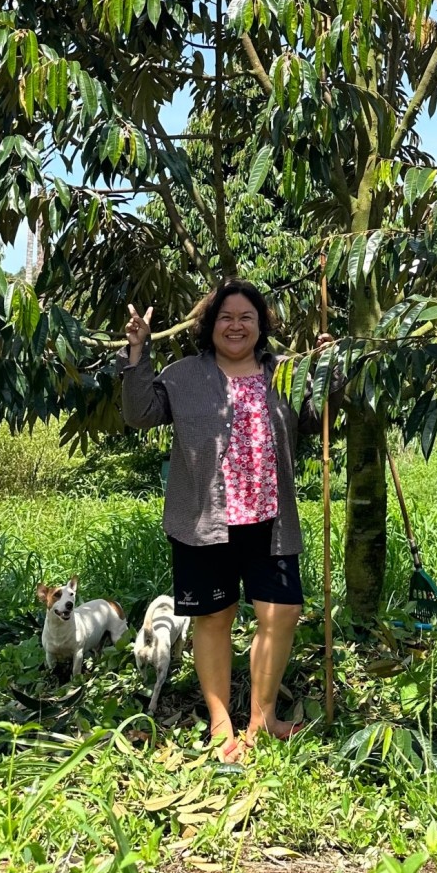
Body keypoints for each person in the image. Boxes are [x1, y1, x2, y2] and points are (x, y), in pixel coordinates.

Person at [119, 280, 329, 762]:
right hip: (203, 520)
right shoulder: (184, 375)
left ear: (261, 325)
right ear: (210, 326)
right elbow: (139, 413)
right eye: (226, 317)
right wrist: (137, 352)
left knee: (282, 613)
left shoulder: (285, 374)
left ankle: (263, 717)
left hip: (270, 520)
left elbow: (320, 416)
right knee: (214, 619)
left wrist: (327, 368)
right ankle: (220, 722)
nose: (236, 326)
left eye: (246, 317)